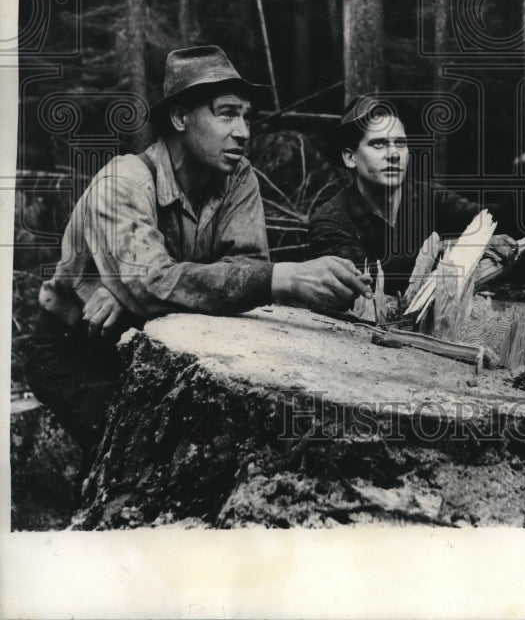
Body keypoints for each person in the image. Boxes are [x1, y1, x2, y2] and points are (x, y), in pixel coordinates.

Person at [25, 46, 372, 458]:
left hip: (151, 337)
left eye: (246, 116)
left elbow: (245, 265)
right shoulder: (123, 182)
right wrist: (285, 278)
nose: (243, 131)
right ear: (179, 117)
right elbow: (156, 283)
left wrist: (130, 296)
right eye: (226, 113)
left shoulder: (237, 177)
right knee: (132, 455)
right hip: (74, 349)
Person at [309, 95, 517, 296]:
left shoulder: (428, 197)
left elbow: (495, 222)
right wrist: (451, 249)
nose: (393, 154)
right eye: (379, 144)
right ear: (350, 157)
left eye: (400, 143)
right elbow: (363, 276)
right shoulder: (330, 219)